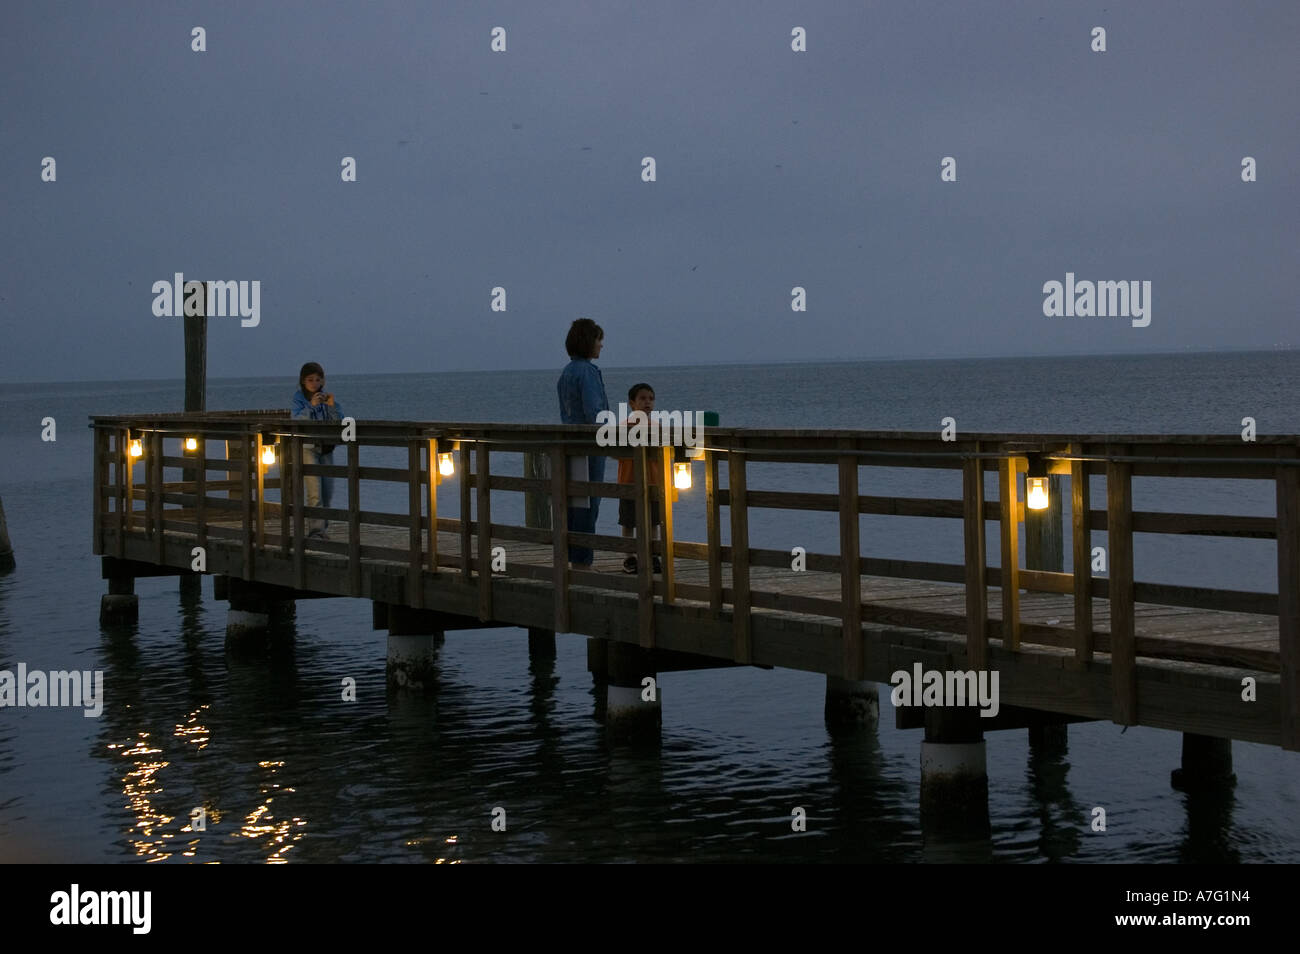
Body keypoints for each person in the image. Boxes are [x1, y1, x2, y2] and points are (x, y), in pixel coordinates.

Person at [556, 318, 609, 569]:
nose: (601, 346)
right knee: (589, 503)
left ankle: (572, 560)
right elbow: (594, 413)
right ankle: (583, 563)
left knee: (573, 504)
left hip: (570, 445)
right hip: (590, 447)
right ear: (589, 342)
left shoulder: (567, 372)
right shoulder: (588, 372)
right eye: (599, 340)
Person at [617, 383, 673, 574]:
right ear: (632, 403)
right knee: (628, 522)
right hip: (629, 480)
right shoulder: (624, 426)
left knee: (654, 522)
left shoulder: (657, 427)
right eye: (642, 398)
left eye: (650, 398)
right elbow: (615, 451)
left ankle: (652, 555)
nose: (647, 402)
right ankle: (629, 557)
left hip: (654, 480)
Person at [291, 362, 345, 538]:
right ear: (303, 381)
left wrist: (331, 406)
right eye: (310, 380)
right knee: (315, 492)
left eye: (318, 379)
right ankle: (316, 531)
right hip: (308, 447)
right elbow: (296, 420)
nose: (314, 383)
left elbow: (340, 422)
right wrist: (311, 406)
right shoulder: (299, 398)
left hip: (327, 448)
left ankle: (323, 529)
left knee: (328, 491)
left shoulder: (327, 398)